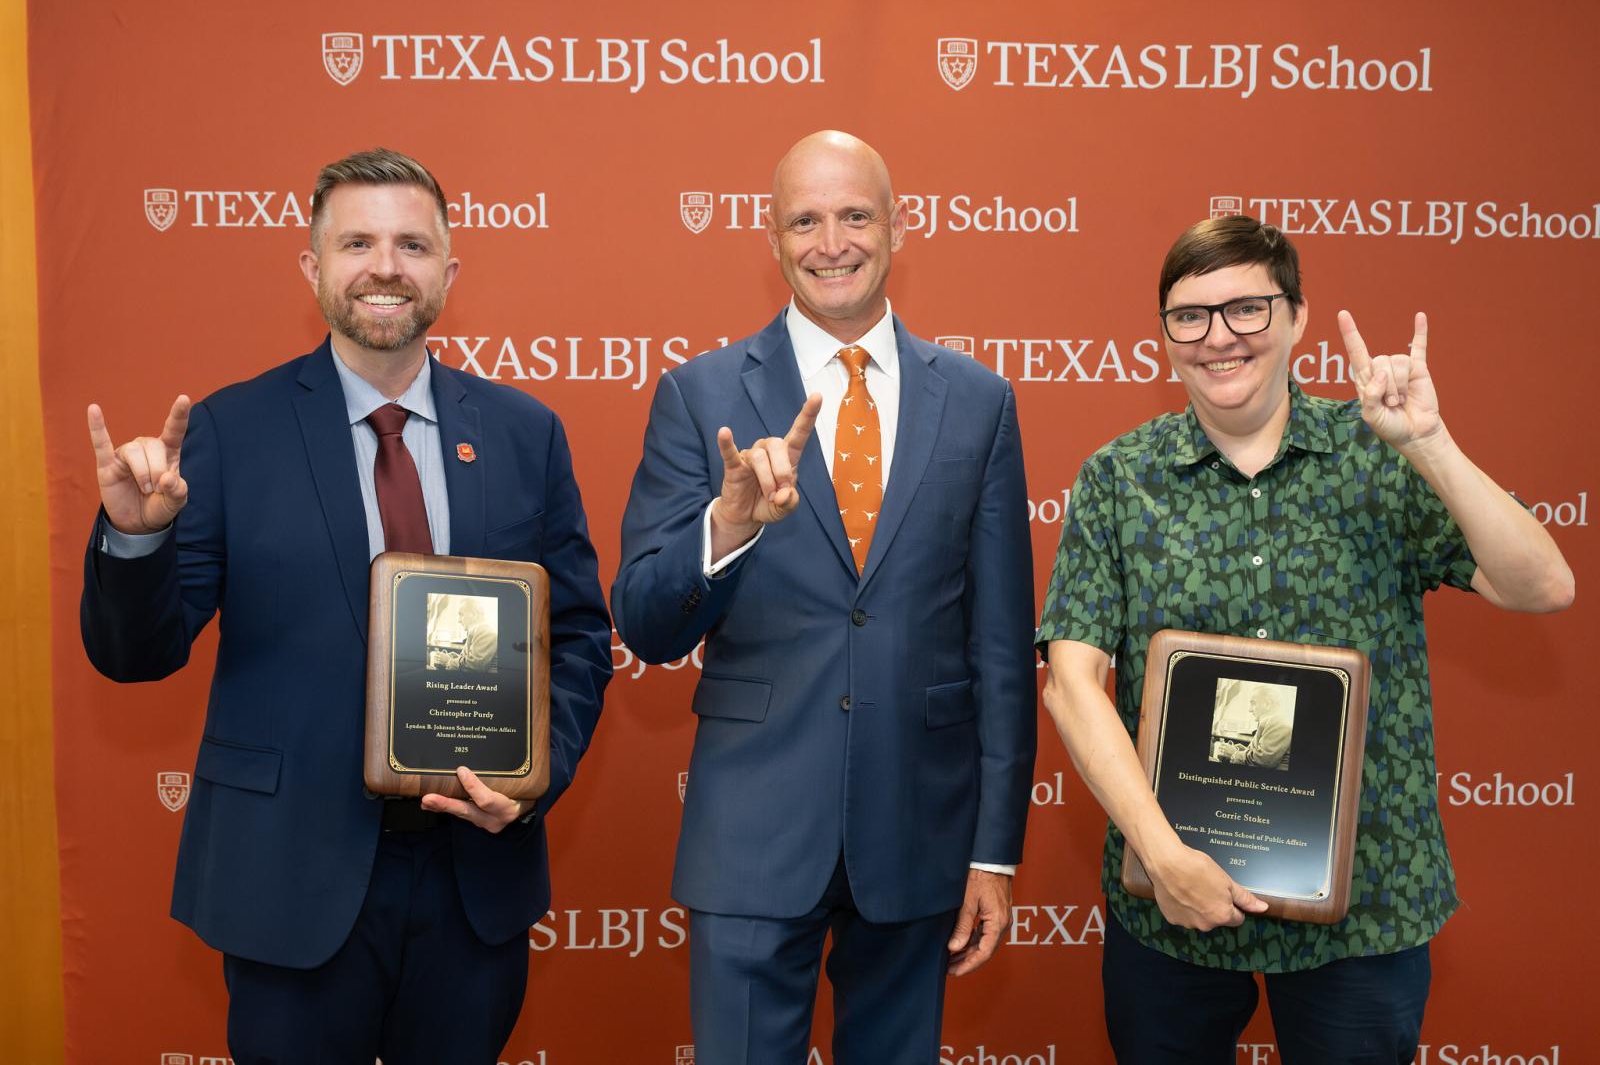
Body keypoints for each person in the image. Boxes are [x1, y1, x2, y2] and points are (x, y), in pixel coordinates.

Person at [80, 148, 613, 1064]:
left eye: (411, 244)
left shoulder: (527, 433)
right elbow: (139, 651)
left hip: (471, 883)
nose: (384, 267)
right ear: (313, 267)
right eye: (357, 241)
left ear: (449, 270)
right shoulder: (229, 430)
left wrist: (529, 778)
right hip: (289, 879)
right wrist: (136, 538)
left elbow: (578, 639)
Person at [1038, 215, 1574, 1064]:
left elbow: (1543, 585)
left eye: (1248, 308)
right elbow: (1072, 680)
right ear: (1166, 333)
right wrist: (1161, 852)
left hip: (1365, 903)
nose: (1219, 337)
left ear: (1297, 318)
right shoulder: (1118, 478)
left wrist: (1429, 443)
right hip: (1173, 901)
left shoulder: (1380, 456)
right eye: (1190, 315)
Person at [611, 130, 1036, 1063]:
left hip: (918, 835)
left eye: (854, 215)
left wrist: (993, 852)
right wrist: (728, 527)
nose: (830, 241)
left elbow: (1002, 647)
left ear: (898, 227)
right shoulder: (699, 392)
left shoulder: (978, 400)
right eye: (804, 220)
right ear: (771, 240)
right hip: (754, 836)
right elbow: (641, 620)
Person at [457, 596, 499, 673]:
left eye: (461, 614)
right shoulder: (476, 630)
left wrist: (450, 661)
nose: (458, 620)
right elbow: (468, 659)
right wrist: (456, 657)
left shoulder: (484, 631)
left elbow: (474, 667)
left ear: (474, 614)